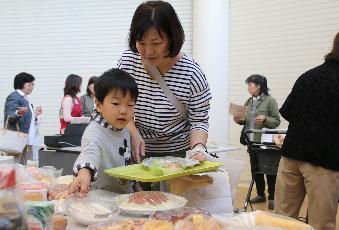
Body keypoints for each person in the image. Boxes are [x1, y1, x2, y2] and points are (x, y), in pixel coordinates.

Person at [117, 0, 212, 164]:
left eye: (156, 43)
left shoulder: (191, 73)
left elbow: (199, 120)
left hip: (178, 155)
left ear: (172, 37)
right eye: (141, 43)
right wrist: (132, 132)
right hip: (136, 150)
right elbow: (119, 104)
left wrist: (197, 149)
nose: (148, 51)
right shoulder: (128, 62)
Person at [274, 25, 339, 230]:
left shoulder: (308, 76)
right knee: (320, 224)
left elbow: (287, 111)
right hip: (324, 162)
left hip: (290, 157)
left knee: (280, 221)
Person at [68, 68, 139, 196]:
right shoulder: (95, 131)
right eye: (116, 103)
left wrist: (136, 189)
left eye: (130, 105)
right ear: (99, 105)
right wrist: (84, 172)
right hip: (102, 201)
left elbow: (127, 162)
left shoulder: (122, 128)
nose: (124, 110)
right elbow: (90, 151)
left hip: (124, 197)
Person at [233, 74, 280, 210]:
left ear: (259, 86)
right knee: (256, 170)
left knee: (270, 171)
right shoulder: (249, 101)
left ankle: (272, 197)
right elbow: (246, 120)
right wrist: (239, 120)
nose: (248, 88)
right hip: (252, 142)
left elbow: (276, 121)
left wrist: (265, 119)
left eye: (250, 85)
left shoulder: (270, 101)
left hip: (265, 142)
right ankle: (260, 195)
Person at [4, 72, 43, 163]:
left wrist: (34, 114)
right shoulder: (14, 97)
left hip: (24, 138)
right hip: (17, 138)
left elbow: (26, 118)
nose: (32, 87)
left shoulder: (24, 98)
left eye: (33, 84)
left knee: (22, 167)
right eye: (29, 84)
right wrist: (18, 113)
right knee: (15, 166)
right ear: (21, 84)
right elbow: (10, 116)